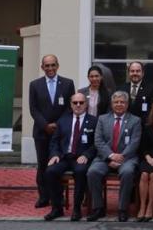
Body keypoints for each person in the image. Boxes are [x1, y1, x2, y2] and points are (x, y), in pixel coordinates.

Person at [86, 91, 142, 222]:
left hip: (127, 158)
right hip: (104, 157)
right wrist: (110, 156)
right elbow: (98, 141)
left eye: (122, 102)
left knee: (128, 172)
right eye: (116, 102)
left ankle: (123, 209)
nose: (119, 104)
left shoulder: (135, 120)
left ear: (127, 104)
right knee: (92, 172)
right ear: (112, 104)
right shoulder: (102, 119)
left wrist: (120, 157)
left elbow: (135, 142)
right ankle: (98, 208)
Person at [28, 54, 75, 208]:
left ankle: (58, 196)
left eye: (53, 65)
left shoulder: (68, 84)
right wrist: (46, 125)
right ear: (42, 67)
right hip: (42, 132)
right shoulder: (35, 85)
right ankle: (43, 197)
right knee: (43, 165)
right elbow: (33, 109)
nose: (50, 68)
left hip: (61, 132)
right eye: (47, 66)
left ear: (57, 65)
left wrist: (58, 125)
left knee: (57, 165)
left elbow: (70, 107)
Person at [43, 92, 97, 221]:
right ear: (71, 104)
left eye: (81, 102)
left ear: (86, 104)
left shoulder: (94, 121)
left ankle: (77, 208)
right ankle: (57, 208)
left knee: (80, 171)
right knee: (50, 171)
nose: (78, 105)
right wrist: (55, 155)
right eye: (75, 103)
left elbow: (97, 144)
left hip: (81, 157)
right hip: (64, 157)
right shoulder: (63, 120)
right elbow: (54, 141)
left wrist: (86, 155)